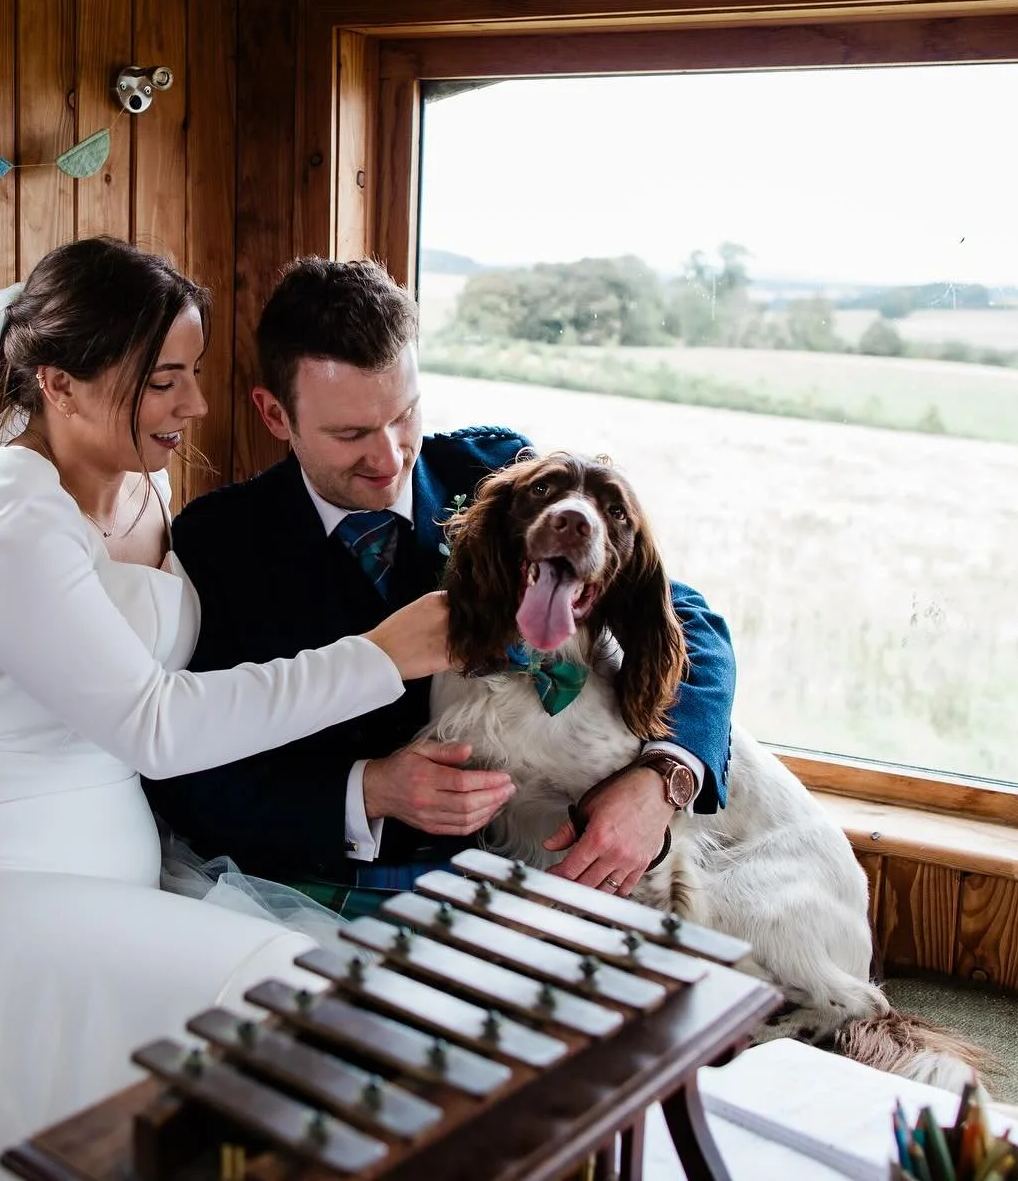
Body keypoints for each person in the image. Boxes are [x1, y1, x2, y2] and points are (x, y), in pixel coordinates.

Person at [0, 239, 452, 1181]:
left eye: (192, 375)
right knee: (286, 992)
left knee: (328, 1023)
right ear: (60, 384)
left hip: (105, 910)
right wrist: (377, 658)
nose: (195, 405)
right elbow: (155, 723)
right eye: (163, 381)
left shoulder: (153, 501)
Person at [145, 257, 736, 918]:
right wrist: (364, 792)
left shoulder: (496, 471)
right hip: (328, 891)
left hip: (519, 880)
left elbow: (687, 619)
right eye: (351, 434)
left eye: (405, 415)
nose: (392, 458)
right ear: (275, 414)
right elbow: (190, 774)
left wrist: (664, 779)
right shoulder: (221, 543)